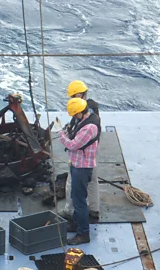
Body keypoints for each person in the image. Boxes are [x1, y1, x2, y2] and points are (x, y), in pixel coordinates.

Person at [58, 98, 100, 245]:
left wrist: (60, 133)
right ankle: (75, 224)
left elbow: (72, 145)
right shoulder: (84, 120)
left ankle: (83, 234)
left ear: (81, 112)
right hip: (77, 164)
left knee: (79, 201)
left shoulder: (89, 128)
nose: (74, 117)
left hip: (82, 168)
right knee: (76, 199)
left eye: (75, 115)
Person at [62, 80, 101, 221]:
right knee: (93, 181)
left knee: (72, 184)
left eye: (73, 96)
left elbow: (74, 143)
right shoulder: (91, 108)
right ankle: (94, 209)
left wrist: (64, 134)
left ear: (79, 94)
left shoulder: (84, 112)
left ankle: (69, 211)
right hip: (91, 153)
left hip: (81, 156)